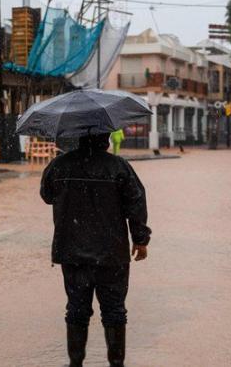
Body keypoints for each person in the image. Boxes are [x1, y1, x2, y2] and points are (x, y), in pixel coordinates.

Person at [40, 133, 151, 367]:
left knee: (77, 309)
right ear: (106, 139)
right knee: (114, 311)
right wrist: (140, 239)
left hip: (72, 251)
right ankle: (116, 363)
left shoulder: (59, 166)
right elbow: (136, 202)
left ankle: (75, 363)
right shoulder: (119, 167)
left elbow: (47, 196)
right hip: (112, 254)